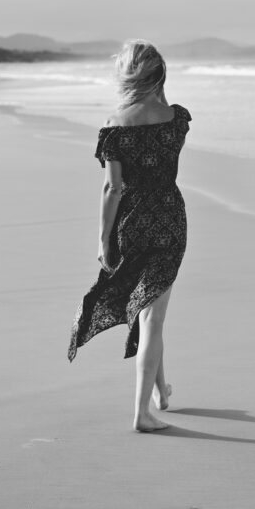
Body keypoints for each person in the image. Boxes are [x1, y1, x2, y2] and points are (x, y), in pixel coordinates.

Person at [67, 39, 192, 433]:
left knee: (148, 308)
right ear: (160, 74)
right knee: (153, 314)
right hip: (170, 219)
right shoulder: (177, 120)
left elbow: (112, 190)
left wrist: (103, 239)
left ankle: (160, 393)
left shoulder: (114, 125)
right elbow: (163, 163)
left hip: (131, 223)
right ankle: (141, 413)